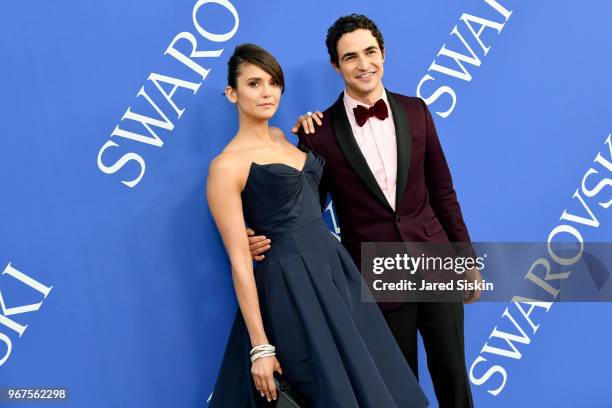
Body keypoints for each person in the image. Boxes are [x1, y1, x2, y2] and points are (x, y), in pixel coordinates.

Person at [248, 15, 482, 408]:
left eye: (370, 52)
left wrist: (466, 258)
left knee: (454, 377)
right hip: (376, 273)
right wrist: (256, 237)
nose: (363, 64)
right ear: (336, 66)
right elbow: (303, 209)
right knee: (397, 388)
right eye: (350, 57)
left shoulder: (416, 110)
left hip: (436, 260)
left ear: (383, 54)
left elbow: (443, 192)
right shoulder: (317, 131)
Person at [207, 43, 428, 407]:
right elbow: (239, 261)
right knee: (326, 390)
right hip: (291, 288)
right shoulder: (225, 167)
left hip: (334, 272)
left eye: (274, 83)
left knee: (374, 383)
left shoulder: (289, 137)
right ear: (232, 93)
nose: (266, 92)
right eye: (253, 83)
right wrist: (260, 347)